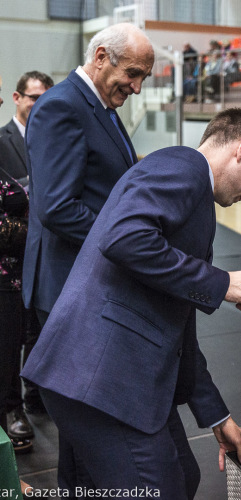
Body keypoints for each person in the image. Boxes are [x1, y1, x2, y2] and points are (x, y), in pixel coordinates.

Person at [21, 108, 241, 496]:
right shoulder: (185, 165)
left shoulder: (189, 184)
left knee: (183, 476)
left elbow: (179, 328)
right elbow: (124, 237)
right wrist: (219, 281)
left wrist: (216, 415)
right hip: (101, 378)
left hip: (97, 375)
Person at [22, 23, 155, 329]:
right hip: (66, 285)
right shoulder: (61, 105)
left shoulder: (98, 105)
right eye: (133, 73)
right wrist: (126, 239)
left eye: (143, 78)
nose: (137, 88)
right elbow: (57, 208)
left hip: (86, 279)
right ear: (100, 57)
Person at [0, 71, 53, 449]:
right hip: (12, 255)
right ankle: (12, 406)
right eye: (33, 97)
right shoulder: (1, 140)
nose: (38, 105)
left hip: (35, 258)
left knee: (34, 331)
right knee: (9, 339)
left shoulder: (52, 136)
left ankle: (34, 393)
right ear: (18, 97)